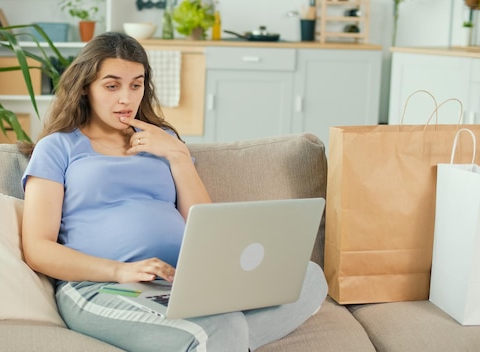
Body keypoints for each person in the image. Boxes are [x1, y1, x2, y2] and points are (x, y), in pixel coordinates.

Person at [20, 32, 328, 352]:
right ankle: (223, 339)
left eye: (136, 85)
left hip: (180, 284)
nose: (126, 98)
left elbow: (205, 224)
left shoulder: (164, 141)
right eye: (112, 86)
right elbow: (38, 248)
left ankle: (224, 340)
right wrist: (121, 270)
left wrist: (178, 155)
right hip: (103, 286)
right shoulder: (58, 147)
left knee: (307, 277)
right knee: (223, 326)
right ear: (86, 87)